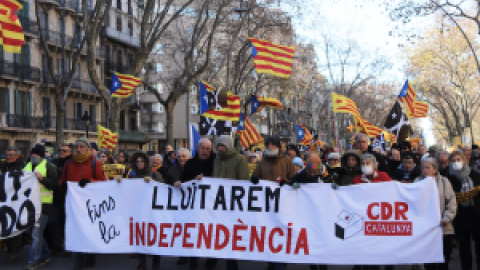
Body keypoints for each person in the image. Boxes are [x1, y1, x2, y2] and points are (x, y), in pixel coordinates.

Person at [58, 138, 106, 270]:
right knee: (76, 228)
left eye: (81, 147)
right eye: (77, 147)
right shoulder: (68, 163)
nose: (79, 149)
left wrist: (89, 181)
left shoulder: (95, 163)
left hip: (90, 202)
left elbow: (102, 181)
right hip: (73, 202)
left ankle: (89, 255)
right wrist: (62, 184)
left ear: (86, 148)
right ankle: (79, 258)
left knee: (88, 228)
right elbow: (63, 179)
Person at [251, 136, 295, 270]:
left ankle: (280, 262)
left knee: (280, 231)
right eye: (268, 144)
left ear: (278, 146)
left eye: (273, 144)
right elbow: (256, 177)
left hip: (282, 204)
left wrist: (286, 183)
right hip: (266, 205)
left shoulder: (287, 161)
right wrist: (254, 179)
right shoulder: (262, 162)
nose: (270, 146)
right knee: (268, 232)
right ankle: (270, 261)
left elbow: (293, 180)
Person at [118, 151, 162, 270]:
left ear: (146, 162)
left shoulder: (154, 175)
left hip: (152, 211)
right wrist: (121, 181)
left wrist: (153, 183)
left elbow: (163, 190)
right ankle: (142, 262)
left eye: (142, 161)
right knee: (140, 236)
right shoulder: (132, 176)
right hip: (138, 210)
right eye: (137, 162)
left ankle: (156, 260)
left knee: (153, 236)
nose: (139, 164)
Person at [179, 138, 216, 270]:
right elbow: (183, 180)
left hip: (211, 206)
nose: (205, 151)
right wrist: (180, 184)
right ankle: (193, 260)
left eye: (208, 149)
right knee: (193, 232)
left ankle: (211, 261)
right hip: (194, 205)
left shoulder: (216, 162)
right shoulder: (189, 163)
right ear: (197, 148)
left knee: (211, 233)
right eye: (203, 148)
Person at [414, 158, 457, 270]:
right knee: (429, 262)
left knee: (444, 261)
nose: (425, 170)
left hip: (444, 228)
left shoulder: (444, 182)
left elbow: (451, 202)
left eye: (428, 168)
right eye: (423, 168)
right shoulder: (417, 182)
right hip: (426, 230)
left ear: (435, 169)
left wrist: (446, 218)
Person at [23, 144, 59, 270]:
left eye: (37, 155)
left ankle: (34, 260)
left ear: (42, 156)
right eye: (33, 154)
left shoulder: (49, 166)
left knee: (36, 233)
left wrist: (42, 179)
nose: (34, 156)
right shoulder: (26, 166)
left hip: (44, 204)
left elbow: (55, 184)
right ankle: (45, 254)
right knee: (31, 232)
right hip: (29, 205)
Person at [445, 150, 480, 270]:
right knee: (464, 247)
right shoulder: (448, 178)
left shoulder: (475, 175)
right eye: (453, 160)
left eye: (458, 160)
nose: (456, 163)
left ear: (464, 161)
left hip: (476, 215)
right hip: (460, 216)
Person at [0, 147, 25, 263]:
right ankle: (9, 249)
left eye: (11, 155)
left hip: (16, 201)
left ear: (16, 156)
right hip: (3, 200)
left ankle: (13, 253)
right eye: (7, 154)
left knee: (14, 226)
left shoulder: (21, 167)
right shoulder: (2, 167)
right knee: (5, 225)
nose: (8, 157)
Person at [49, 143, 73, 255]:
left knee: (67, 223)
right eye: (60, 150)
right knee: (52, 221)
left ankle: (68, 246)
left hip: (68, 198)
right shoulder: (53, 163)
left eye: (64, 150)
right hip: (54, 197)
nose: (61, 152)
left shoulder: (72, 164)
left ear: (70, 152)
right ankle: (57, 245)